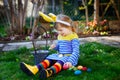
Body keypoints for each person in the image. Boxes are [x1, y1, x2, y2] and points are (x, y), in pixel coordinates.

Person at [20, 14, 80, 79]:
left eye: (61, 30)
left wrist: (70, 61)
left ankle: (49, 71)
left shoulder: (74, 37)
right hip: (60, 55)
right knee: (49, 59)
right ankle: (34, 69)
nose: (59, 32)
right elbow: (60, 48)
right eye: (58, 31)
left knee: (59, 63)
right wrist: (55, 47)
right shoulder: (60, 36)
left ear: (69, 27)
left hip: (69, 57)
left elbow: (76, 51)